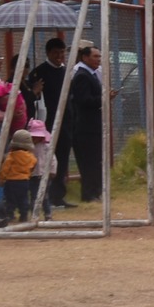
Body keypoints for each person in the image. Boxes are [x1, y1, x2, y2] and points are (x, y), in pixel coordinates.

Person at [56, 42, 104, 207]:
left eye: (99, 56)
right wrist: (103, 99)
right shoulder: (82, 75)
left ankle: (95, 192)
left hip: (93, 126)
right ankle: (89, 194)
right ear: (85, 57)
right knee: (88, 162)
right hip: (85, 127)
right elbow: (83, 100)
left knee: (96, 160)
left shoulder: (92, 73)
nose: (99, 59)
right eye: (95, 56)